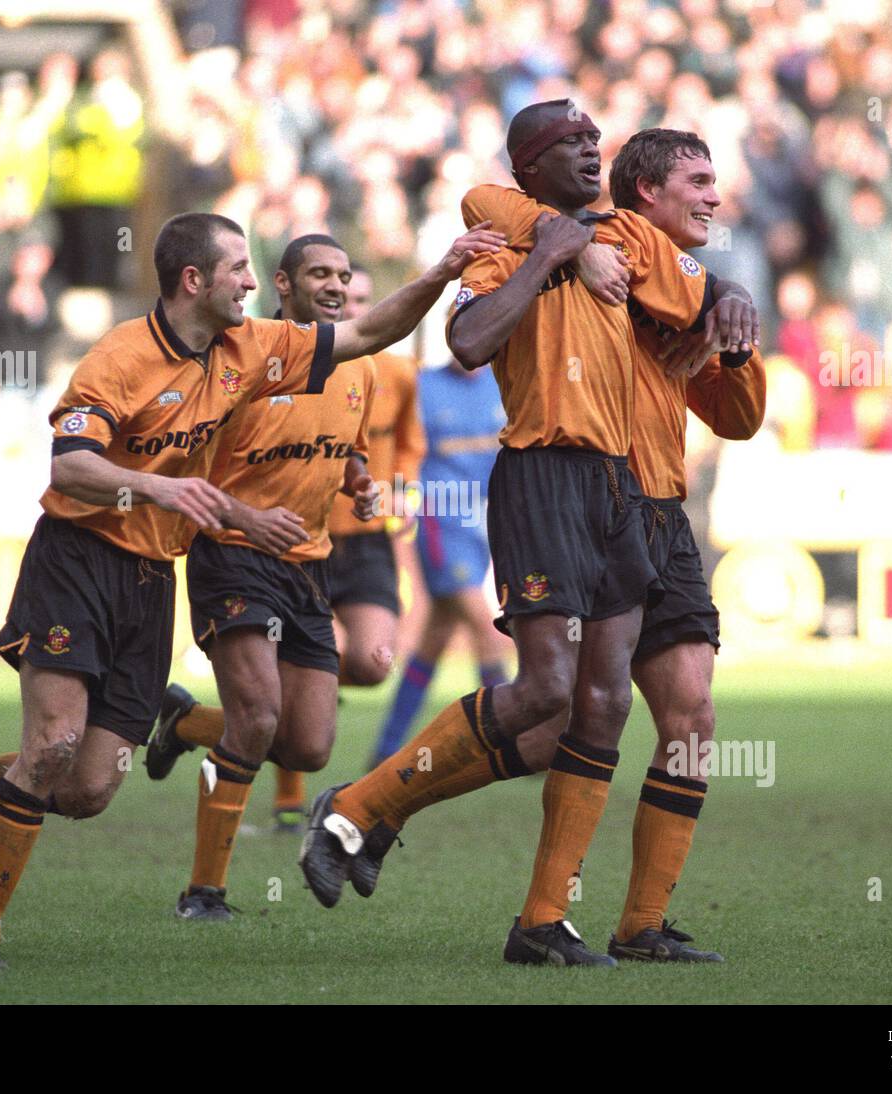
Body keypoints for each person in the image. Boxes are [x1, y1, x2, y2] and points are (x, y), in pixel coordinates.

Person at [0, 211, 503, 968]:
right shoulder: (120, 357)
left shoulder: (251, 348)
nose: (250, 280)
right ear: (194, 281)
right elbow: (70, 466)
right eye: (239, 267)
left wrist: (440, 272)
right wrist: (162, 491)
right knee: (54, 744)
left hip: (152, 579)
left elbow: (367, 338)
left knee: (87, 788)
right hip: (78, 558)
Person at [301, 101, 729, 968]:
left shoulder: (623, 242)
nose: (588, 153)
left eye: (593, 142)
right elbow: (464, 341)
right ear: (529, 166)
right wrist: (548, 254)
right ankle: (357, 805)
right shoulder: (507, 245)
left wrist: (734, 300)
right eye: (570, 144)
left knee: (600, 704)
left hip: (619, 484)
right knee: (542, 694)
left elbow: (700, 284)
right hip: (543, 479)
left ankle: (543, 923)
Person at [449, 128, 766, 962]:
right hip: (593, 503)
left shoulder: (676, 283)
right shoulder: (611, 250)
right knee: (579, 708)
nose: (715, 197)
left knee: (691, 714)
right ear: (646, 196)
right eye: (697, 180)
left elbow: (739, 418)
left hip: (666, 520)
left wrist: (729, 330)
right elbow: (490, 197)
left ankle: (641, 924)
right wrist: (587, 246)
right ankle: (528, 907)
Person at [139, 233, 379, 921]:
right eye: (319, 274)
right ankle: (204, 891)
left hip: (307, 565)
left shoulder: (358, 367)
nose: (334, 286)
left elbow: (346, 452)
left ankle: (187, 724)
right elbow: (183, 463)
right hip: (231, 553)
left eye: (343, 274)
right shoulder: (242, 358)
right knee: (258, 716)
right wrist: (244, 517)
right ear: (283, 283)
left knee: (307, 743)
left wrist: (358, 485)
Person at [266, 263, 427, 829]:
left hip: (367, 543)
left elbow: (410, 443)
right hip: (304, 539)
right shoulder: (287, 366)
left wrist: (401, 487)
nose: (351, 307)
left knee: (375, 661)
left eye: (363, 299)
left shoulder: (397, 372)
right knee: (316, 655)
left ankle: (217, 722)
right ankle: (290, 794)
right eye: (343, 298)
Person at [367, 356, 509, 767]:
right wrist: (399, 495)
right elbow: (399, 447)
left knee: (437, 634)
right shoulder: (422, 385)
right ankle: (512, 738)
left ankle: (387, 748)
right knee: (483, 623)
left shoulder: (502, 383)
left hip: (483, 520)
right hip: (438, 515)